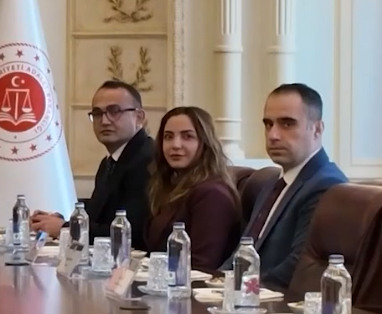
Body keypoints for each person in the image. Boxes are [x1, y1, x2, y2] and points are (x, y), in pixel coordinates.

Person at [30, 80, 154, 250]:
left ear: (139, 117)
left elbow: (128, 232)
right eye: (97, 113)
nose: (104, 121)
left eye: (114, 111)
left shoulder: (147, 160)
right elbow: (97, 212)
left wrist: (65, 228)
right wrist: (59, 217)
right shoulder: (109, 162)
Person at [246, 83, 347, 289]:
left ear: (317, 129)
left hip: (279, 300)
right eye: (268, 124)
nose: (273, 135)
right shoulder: (273, 182)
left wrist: (241, 289)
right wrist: (216, 282)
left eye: (287, 124)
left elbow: (297, 266)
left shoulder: (326, 185)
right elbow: (244, 252)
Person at [143, 107, 241, 272]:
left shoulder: (212, 195)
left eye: (187, 136)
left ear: (205, 142)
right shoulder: (170, 186)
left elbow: (201, 267)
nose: (175, 145)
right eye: (168, 137)